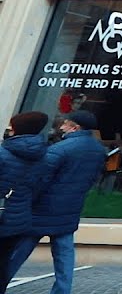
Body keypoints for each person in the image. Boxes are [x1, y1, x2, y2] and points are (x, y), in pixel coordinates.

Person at [6, 111, 106, 294]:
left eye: (66, 123)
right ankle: (62, 290)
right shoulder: (99, 150)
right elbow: (93, 179)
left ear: (75, 128)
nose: (61, 126)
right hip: (70, 209)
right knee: (64, 256)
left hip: (42, 209)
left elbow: (40, 179)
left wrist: (27, 202)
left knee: (17, 254)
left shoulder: (59, 149)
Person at [0, 112, 50, 294]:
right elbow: (38, 187)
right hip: (18, 218)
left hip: (4, 213)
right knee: (3, 261)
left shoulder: (3, 153)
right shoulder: (43, 156)